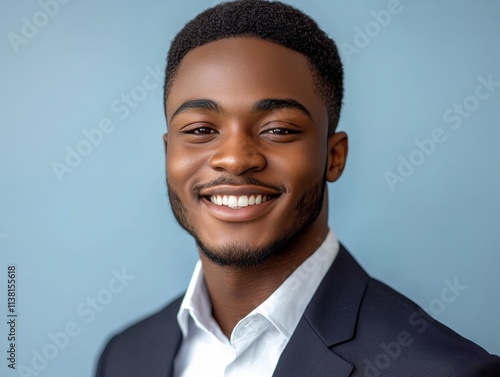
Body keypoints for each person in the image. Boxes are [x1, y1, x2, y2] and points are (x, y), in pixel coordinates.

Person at [95, 1, 500, 376]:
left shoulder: (445, 370)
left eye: (279, 130)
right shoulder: (125, 356)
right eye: (201, 130)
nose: (235, 159)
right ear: (169, 153)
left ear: (334, 156)